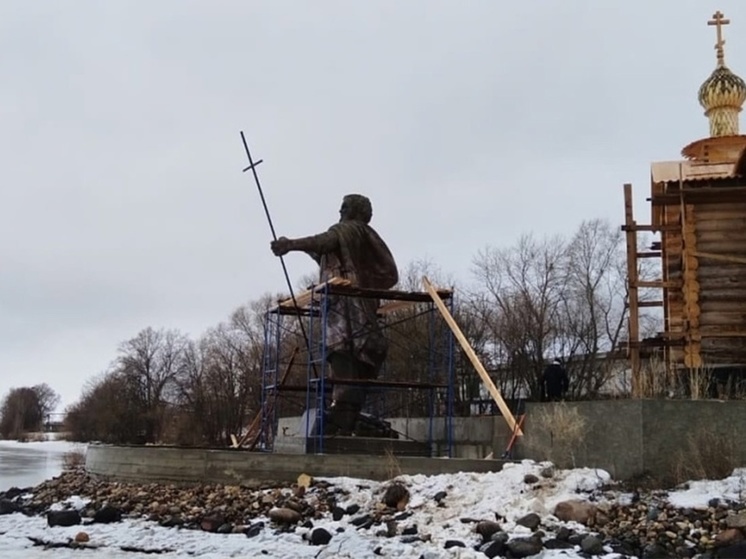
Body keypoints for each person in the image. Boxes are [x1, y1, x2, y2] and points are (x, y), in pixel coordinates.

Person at [270, 194, 398, 435]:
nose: (340, 210)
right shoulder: (366, 236)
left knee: (344, 354)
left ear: (357, 212)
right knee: (350, 362)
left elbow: (324, 241)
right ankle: (343, 417)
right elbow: (325, 250)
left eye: (345, 206)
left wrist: (291, 245)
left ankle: (342, 418)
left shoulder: (349, 229)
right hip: (350, 304)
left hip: (346, 307)